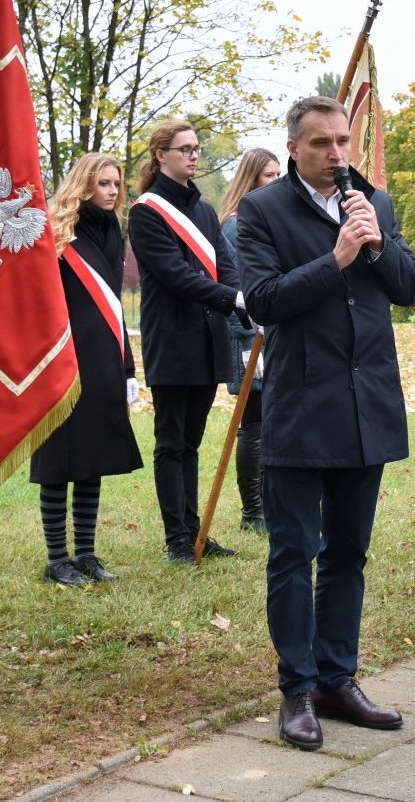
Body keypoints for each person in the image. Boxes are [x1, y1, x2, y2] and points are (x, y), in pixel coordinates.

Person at [237, 96, 415, 751]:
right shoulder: (262, 212)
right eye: (321, 143)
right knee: (295, 554)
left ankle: (338, 680)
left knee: (349, 553)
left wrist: (372, 243)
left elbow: (410, 288)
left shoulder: (373, 202)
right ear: (294, 147)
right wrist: (337, 257)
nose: (337, 154)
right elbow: (262, 301)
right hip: (299, 406)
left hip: (365, 406)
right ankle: (298, 689)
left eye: (343, 140)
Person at [130, 120, 244, 564]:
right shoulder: (146, 211)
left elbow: (225, 262)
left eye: (197, 149)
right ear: (161, 155)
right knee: (171, 441)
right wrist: (229, 297)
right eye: (184, 149)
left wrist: (237, 298)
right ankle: (176, 539)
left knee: (192, 443)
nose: (194, 156)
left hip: (207, 337)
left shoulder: (203, 209)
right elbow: (173, 273)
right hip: (172, 338)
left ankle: (195, 532)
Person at [33, 153, 142, 586]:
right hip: (63, 358)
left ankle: (87, 554)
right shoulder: (56, 235)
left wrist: (128, 366)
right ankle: (56, 558)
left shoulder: (114, 231)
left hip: (103, 359)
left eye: (116, 183)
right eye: (103, 184)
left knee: (93, 456)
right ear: (83, 185)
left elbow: (114, 306)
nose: (113, 191)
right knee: (60, 458)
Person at [219, 148, 284, 533]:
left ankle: (272, 504)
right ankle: (252, 512)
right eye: (267, 176)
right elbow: (233, 288)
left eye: (278, 176)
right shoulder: (234, 225)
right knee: (254, 422)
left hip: (276, 335)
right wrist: (248, 337)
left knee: (274, 422)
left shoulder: (269, 222)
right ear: (250, 180)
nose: (275, 183)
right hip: (249, 336)